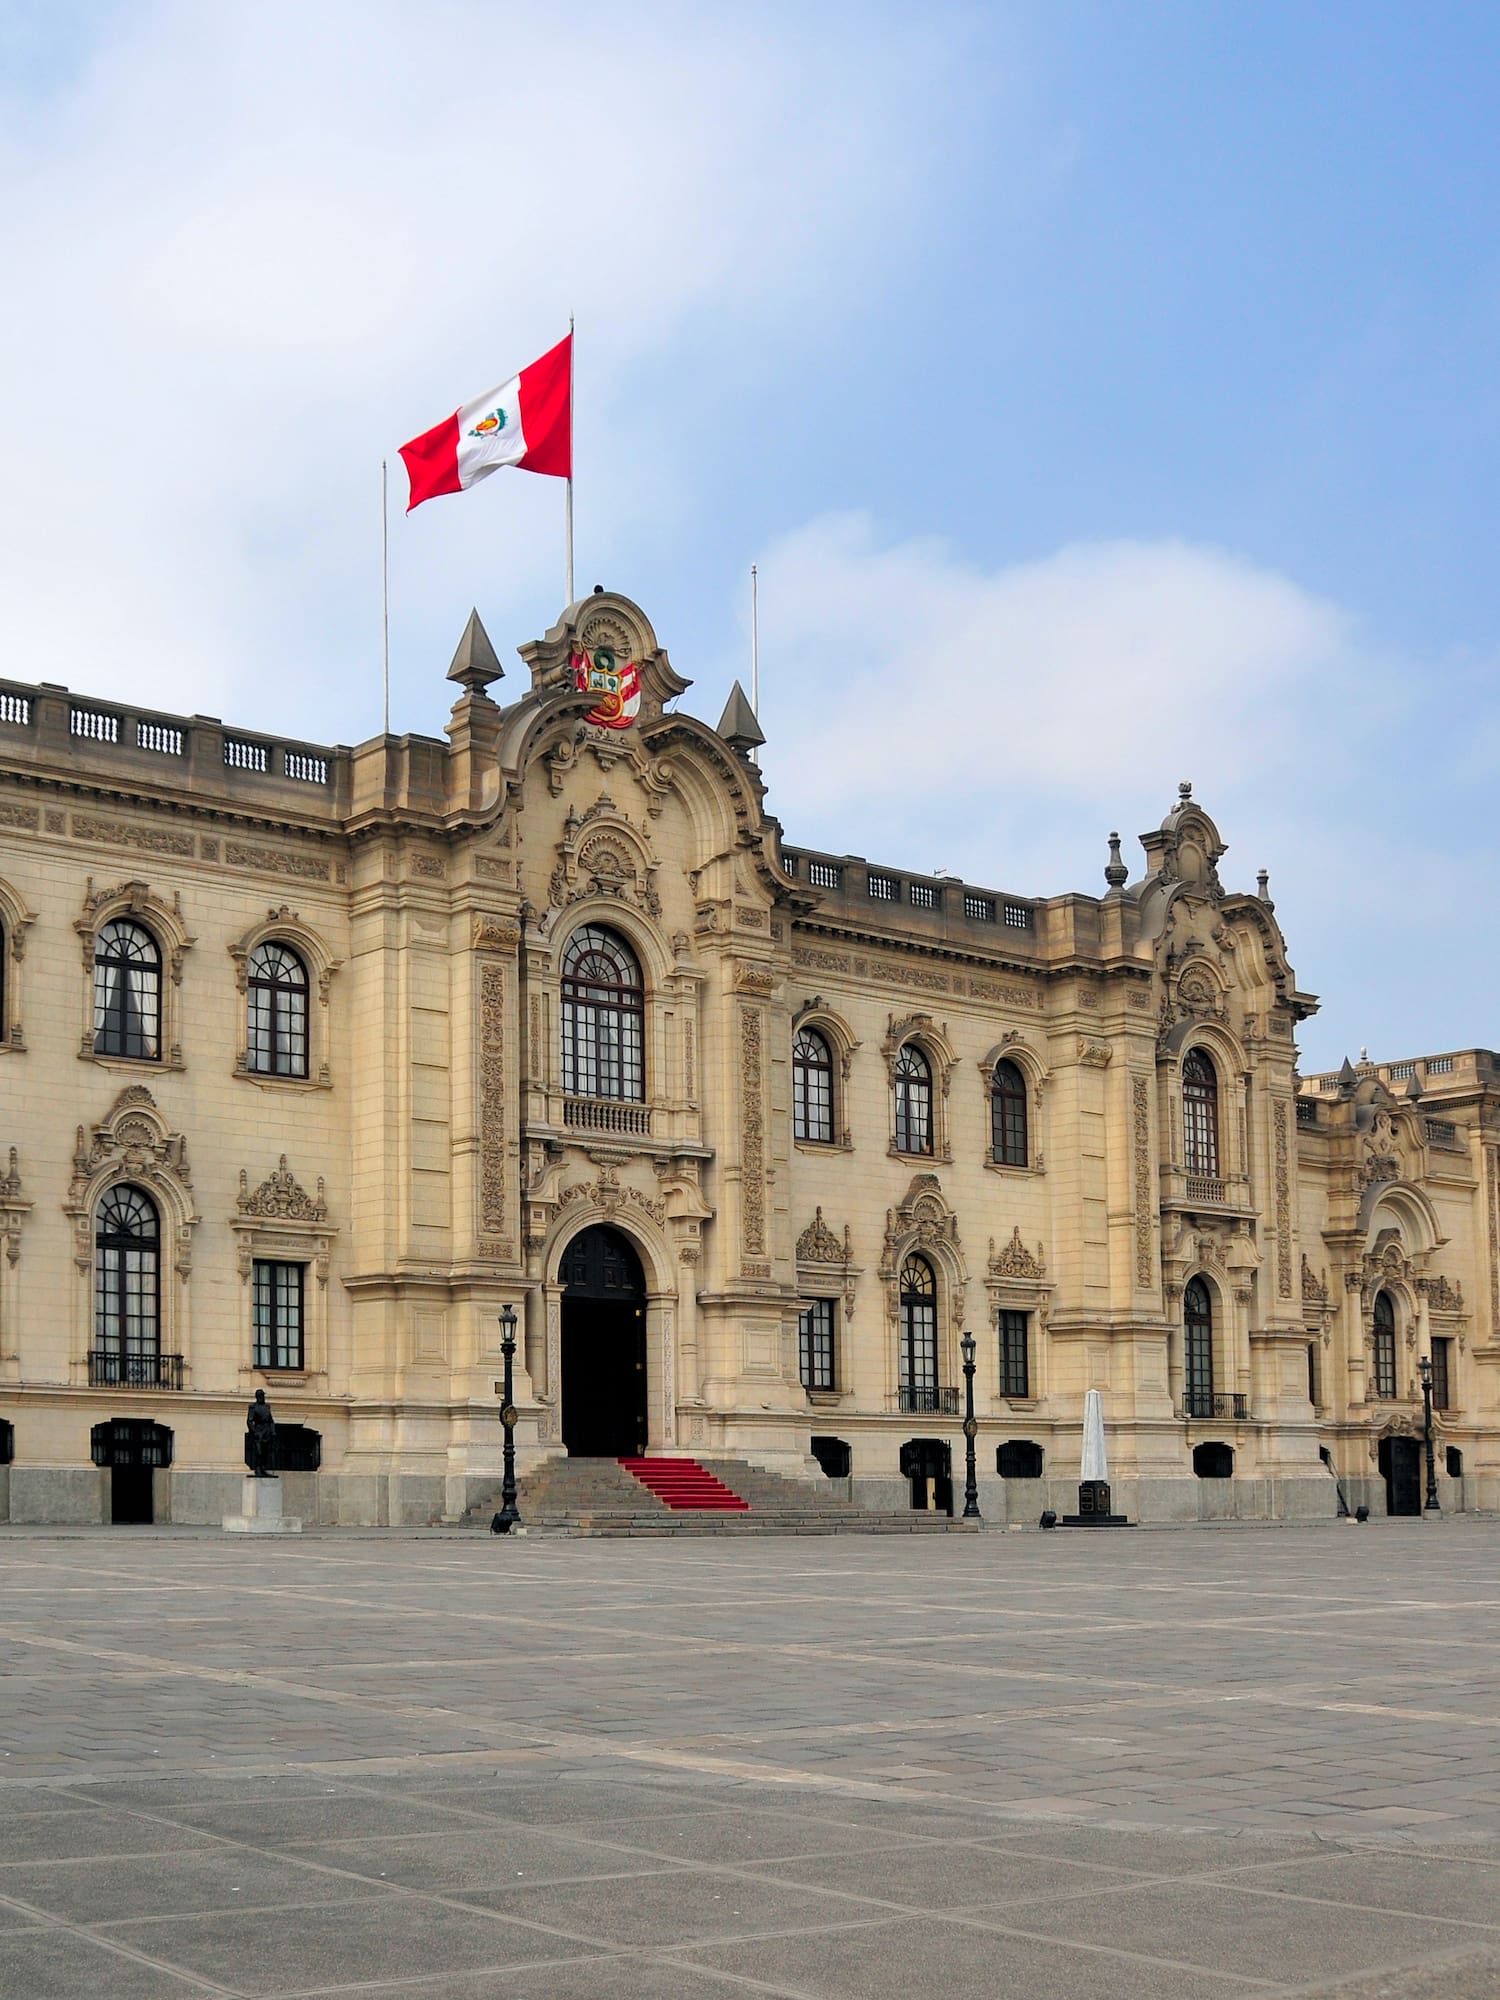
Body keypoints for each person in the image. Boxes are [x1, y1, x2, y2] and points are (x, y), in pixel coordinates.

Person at [245, 1388, 278, 1478]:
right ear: (257, 1397)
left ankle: (263, 1468)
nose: (262, 1397)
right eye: (261, 1396)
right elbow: (249, 1421)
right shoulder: (253, 1407)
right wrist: (254, 1431)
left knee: (265, 1452)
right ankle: (258, 1469)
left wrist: (273, 1431)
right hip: (259, 1431)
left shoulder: (267, 1407)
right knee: (258, 1452)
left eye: (263, 1396)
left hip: (267, 1431)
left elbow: (271, 1420)